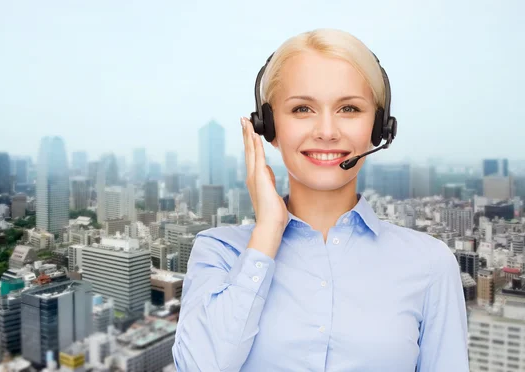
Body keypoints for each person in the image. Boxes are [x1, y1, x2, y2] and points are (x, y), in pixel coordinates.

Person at [172, 28, 469, 372]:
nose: (327, 131)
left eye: (348, 108)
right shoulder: (219, 252)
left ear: (379, 127)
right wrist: (267, 233)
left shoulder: (430, 264)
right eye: (302, 109)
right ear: (267, 126)